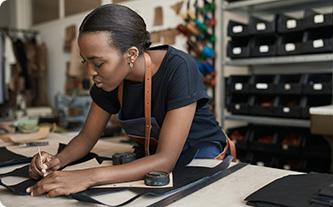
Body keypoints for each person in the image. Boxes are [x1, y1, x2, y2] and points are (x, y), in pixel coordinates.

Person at [27, 4, 235, 197]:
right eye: (86, 61)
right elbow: (87, 137)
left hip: (201, 158)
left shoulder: (179, 68)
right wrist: (57, 161)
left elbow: (165, 160)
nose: (90, 72)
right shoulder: (110, 79)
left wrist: (88, 177)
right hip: (153, 162)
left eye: (98, 63)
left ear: (131, 54)